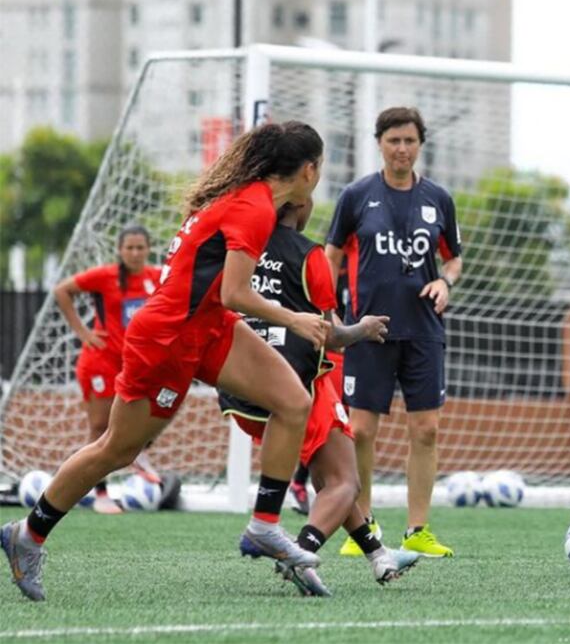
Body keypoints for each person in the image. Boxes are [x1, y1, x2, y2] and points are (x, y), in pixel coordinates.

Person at [1, 121, 331, 602]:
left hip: (209, 325)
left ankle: (264, 525)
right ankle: (26, 535)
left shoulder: (252, 197)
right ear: (308, 169)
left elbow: (224, 293)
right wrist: (296, 319)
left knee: (293, 402)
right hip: (168, 339)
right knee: (117, 449)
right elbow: (239, 291)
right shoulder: (254, 206)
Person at [218, 198, 420, 596]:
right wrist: (362, 328)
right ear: (303, 198)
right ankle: (299, 554)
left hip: (239, 387)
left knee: (330, 476)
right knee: (345, 482)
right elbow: (331, 334)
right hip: (297, 386)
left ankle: (378, 554)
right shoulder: (309, 256)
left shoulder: (238, 248)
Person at [324, 107, 463, 558]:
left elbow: (454, 258)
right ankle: (362, 528)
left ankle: (418, 529)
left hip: (423, 329)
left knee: (426, 428)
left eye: (409, 141)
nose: (402, 149)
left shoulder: (439, 198)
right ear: (379, 142)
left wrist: (445, 280)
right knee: (361, 430)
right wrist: (330, 313)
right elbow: (330, 255)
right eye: (393, 140)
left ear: (420, 144)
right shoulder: (356, 195)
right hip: (367, 330)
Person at [53, 224, 161, 514]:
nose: (135, 253)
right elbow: (62, 291)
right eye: (130, 248)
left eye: (140, 247)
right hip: (100, 362)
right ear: (120, 250)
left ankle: (139, 457)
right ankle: (100, 492)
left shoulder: (156, 279)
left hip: (137, 364)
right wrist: (83, 333)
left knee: (150, 417)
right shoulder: (105, 277)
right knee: (100, 428)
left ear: (148, 249)